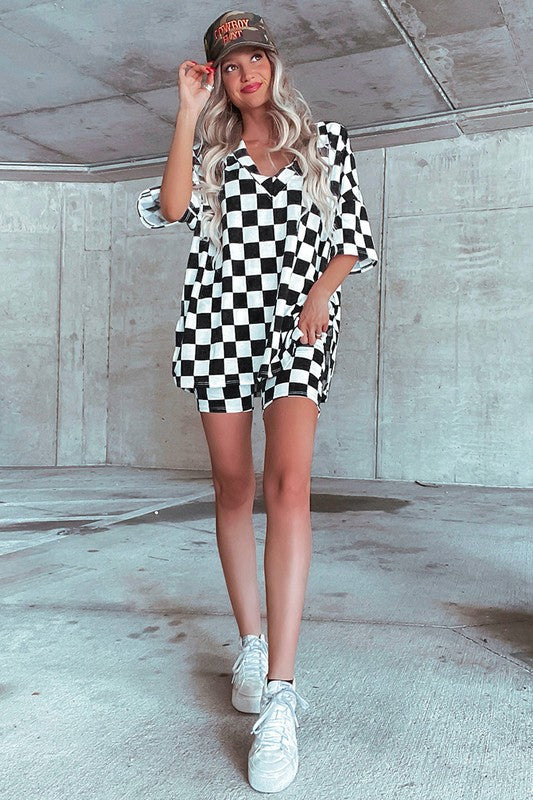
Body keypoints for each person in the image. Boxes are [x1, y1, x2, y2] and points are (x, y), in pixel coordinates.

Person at [137, 9, 378, 793]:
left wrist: (320, 295)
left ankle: (280, 693)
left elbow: (353, 238)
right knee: (233, 489)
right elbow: (173, 210)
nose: (246, 74)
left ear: (273, 62)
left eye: (255, 59)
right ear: (218, 78)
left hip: (297, 327)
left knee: (290, 486)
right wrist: (185, 110)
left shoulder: (324, 140)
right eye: (229, 66)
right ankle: (249, 642)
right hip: (219, 325)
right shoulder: (208, 148)